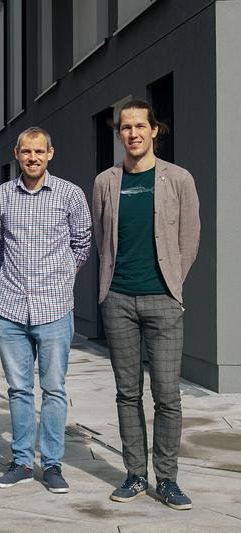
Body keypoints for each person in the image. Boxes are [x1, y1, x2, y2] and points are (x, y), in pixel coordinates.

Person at [93, 100, 200, 510]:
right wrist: (107, 287)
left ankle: (168, 479)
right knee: (126, 393)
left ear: (154, 130)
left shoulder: (178, 179)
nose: (133, 133)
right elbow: (103, 237)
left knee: (168, 395)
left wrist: (172, 282)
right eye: (125, 127)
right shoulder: (105, 181)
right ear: (119, 134)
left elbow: (190, 237)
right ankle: (135, 474)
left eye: (141, 126)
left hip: (164, 301)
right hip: (117, 299)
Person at [0, 127, 92, 494]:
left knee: (53, 389)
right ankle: (20, 462)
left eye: (39, 151)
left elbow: (82, 243)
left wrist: (62, 277)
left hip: (54, 308)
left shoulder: (70, 194)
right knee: (18, 390)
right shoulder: (1, 196)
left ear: (51, 153)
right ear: (16, 154)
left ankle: (51, 464)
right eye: (26, 152)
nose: (33, 157)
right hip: (11, 308)